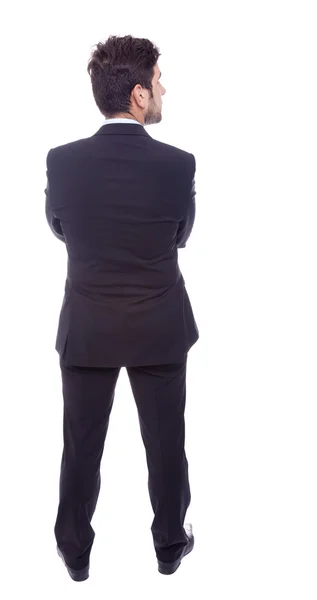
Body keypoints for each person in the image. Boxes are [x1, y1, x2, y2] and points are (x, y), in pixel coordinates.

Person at [44, 34, 198, 581]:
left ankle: (75, 553)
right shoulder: (179, 166)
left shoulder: (61, 163)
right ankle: (170, 546)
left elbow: (60, 228)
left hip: (88, 327)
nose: (163, 89)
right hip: (158, 324)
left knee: (80, 447)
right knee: (166, 444)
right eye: (157, 81)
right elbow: (180, 235)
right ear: (137, 95)